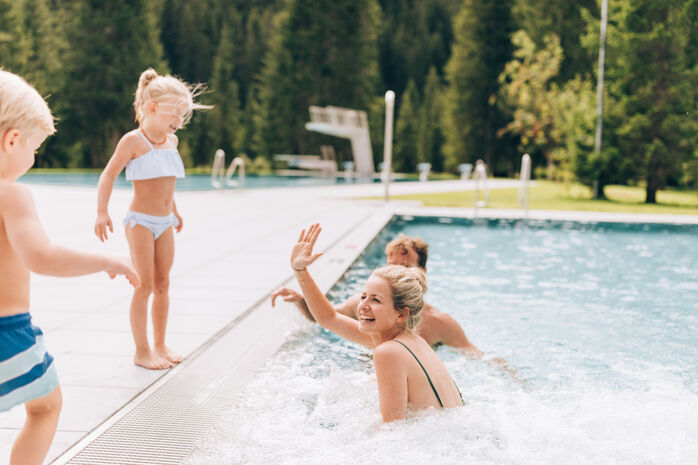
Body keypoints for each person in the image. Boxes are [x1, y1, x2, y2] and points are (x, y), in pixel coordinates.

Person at [0, 69, 139, 465]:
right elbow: (41, 256)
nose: (33, 158)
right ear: (12, 140)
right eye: (35, 148)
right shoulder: (11, 196)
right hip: (6, 336)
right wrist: (106, 259)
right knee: (46, 406)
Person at [94, 68, 208, 370]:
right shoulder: (133, 141)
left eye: (183, 115)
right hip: (140, 222)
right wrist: (101, 211)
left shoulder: (171, 142)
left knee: (162, 284)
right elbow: (107, 175)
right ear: (152, 108)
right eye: (174, 114)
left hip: (165, 222)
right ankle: (141, 350)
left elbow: (166, 181)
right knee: (143, 285)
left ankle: (159, 343)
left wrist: (175, 210)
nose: (178, 121)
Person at [290, 224, 463, 422]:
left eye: (376, 300)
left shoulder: (388, 351)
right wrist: (300, 270)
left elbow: (391, 432)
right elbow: (329, 318)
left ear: (401, 314)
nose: (363, 306)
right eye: (364, 296)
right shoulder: (411, 340)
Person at [273, 234, 483, 355]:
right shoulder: (365, 305)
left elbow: (476, 355)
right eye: (391, 265)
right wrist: (301, 296)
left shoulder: (438, 323)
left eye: (405, 266)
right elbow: (326, 316)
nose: (396, 272)